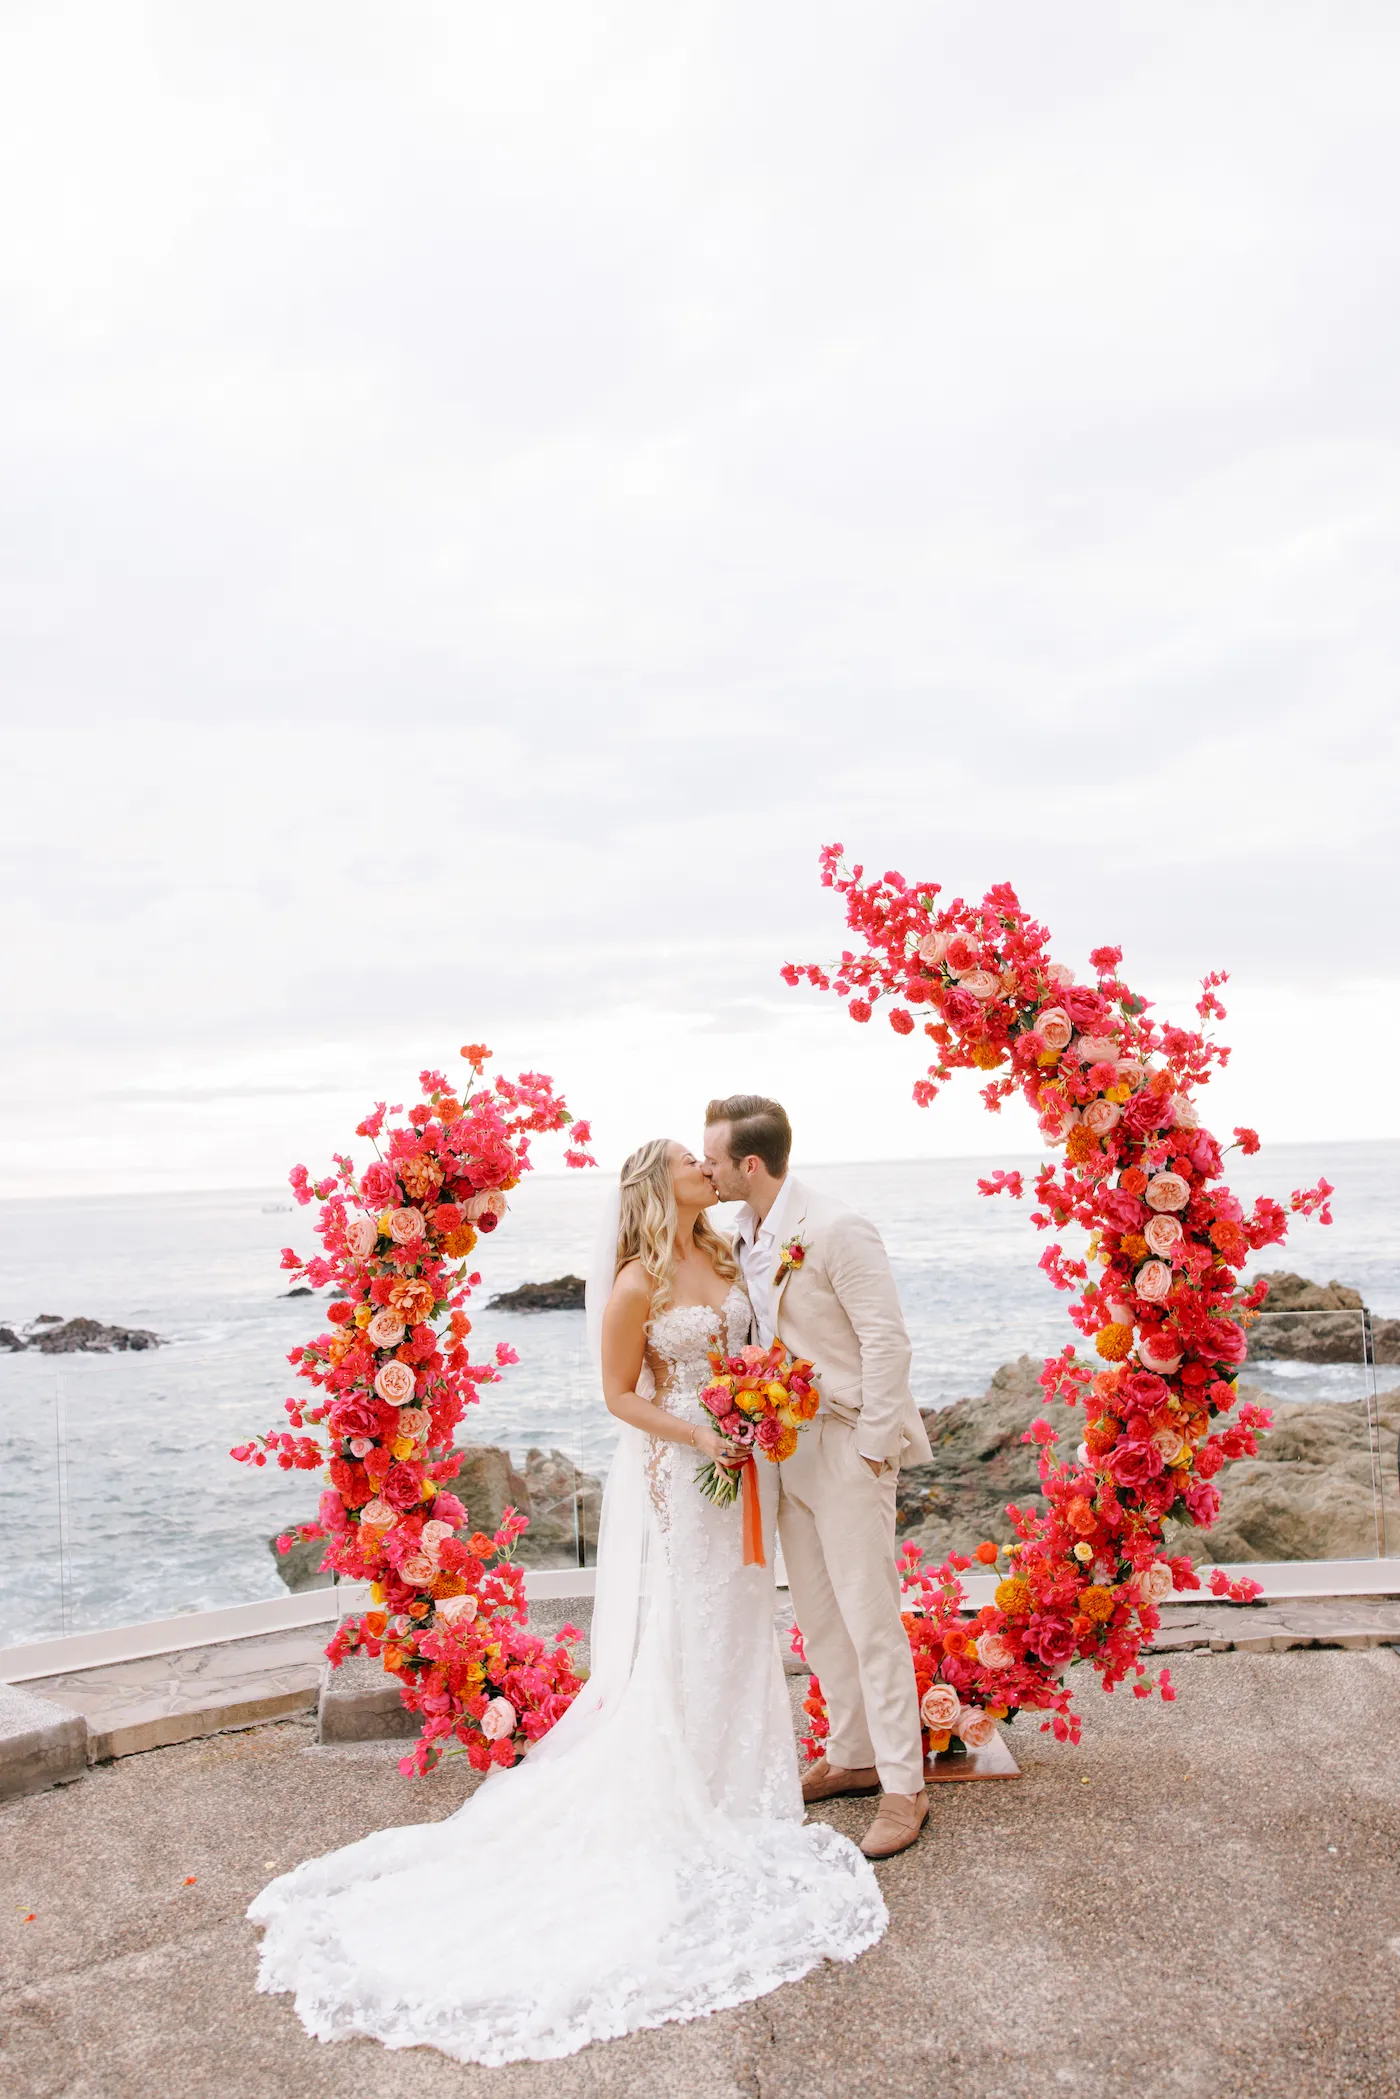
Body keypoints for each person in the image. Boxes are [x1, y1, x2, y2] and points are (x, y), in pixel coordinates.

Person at [247, 1139, 884, 2066]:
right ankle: (695, 1789)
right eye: (688, 1161)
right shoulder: (636, 1284)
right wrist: (703, 1432)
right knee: (691, 1625)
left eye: (709, 1159)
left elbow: (758, 1345)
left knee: (744, 1621)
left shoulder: (720, 1253)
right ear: (655, 1186)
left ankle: (743, 1784)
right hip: (686, 1471)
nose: (706, 1166)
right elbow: (619, 1396)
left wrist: (759, 1405)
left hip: (746, 1467)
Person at [702, 1095, 933, 1859]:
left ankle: (905, 1786)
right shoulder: (740, 1234)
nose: (707, 1168)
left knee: (872, 1616)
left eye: (716, 1157)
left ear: (751, 1164)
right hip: (781, 1449)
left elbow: (887, 1341)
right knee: (819, 1614)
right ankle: (852, 1754)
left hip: (844, 1445)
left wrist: (871, 1449)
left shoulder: (837, 1229)